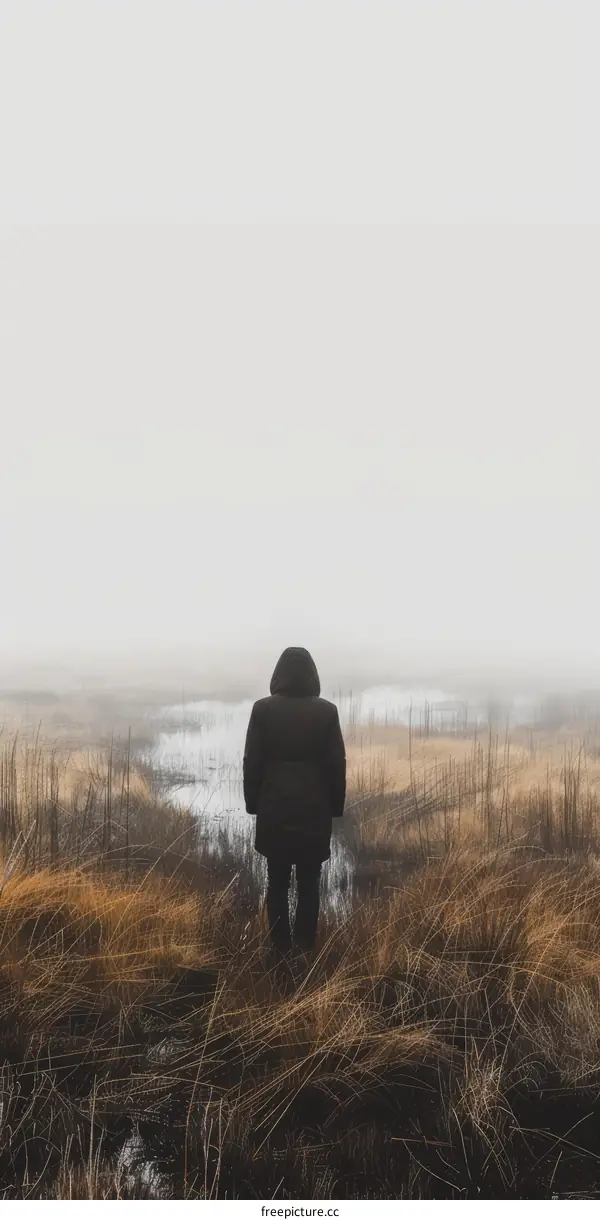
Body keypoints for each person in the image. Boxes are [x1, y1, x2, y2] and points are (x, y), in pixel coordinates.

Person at [242, 646, 346, 955]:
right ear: (312, 675)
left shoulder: (262, 710)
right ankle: (304, 948)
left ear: (278, 675)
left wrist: (253, 804)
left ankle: (279, 948)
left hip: (274, 808)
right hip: (314, 811)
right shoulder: (327, 712)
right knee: (309, 883)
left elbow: (252, 762)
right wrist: (335, 807)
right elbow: (336, 765)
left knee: (276, 881)